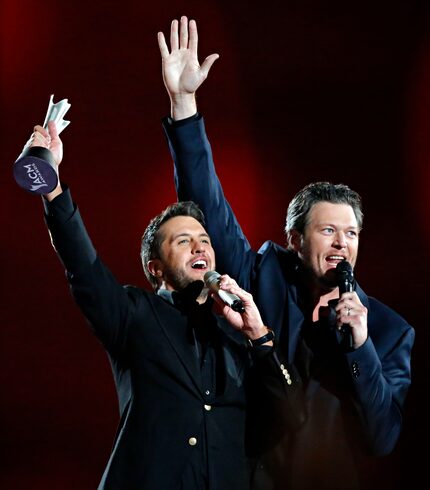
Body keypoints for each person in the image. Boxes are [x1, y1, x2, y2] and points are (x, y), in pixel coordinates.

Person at [158, 16, 415, 490]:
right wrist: (184, 105)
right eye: (328, 231)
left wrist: (360, 346)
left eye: (352, 234)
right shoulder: (260, 277)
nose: (342, 243)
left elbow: (381, 439)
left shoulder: (387, 331)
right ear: (296, 239)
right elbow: (208, 207)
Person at [22, 122, 302, 490]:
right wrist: (52, 187)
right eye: (184, 241)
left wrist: (260, 338)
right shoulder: (135, 314)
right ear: (155, 268)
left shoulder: (238, 341)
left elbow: (287, 419)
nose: (200, 247)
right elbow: (84, 268)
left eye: (205, 240)